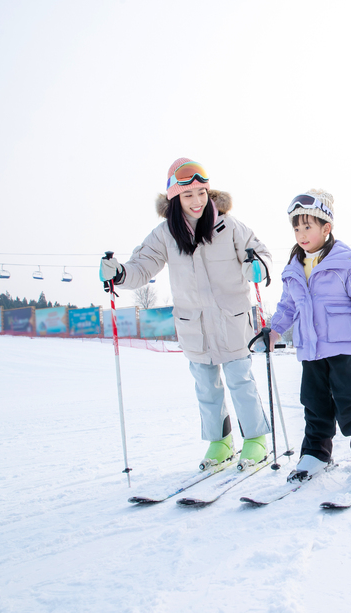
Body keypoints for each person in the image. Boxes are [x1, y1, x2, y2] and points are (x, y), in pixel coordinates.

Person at [100, 158, 272, 470]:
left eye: (201, 193)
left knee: (240, 381)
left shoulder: (229, 227)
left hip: (231, 321)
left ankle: (255, 440)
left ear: (209, 192)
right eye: (188, 195)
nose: (196, 201)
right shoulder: (165, 234)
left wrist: (257, 265)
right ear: (174, 198)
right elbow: (141, 268)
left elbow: (260, 253)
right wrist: (120, 273)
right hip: (195, 327)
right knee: (207, 388)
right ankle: (220, 443)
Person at [266, 189, 351, 484]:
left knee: (349, 400)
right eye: (296, 228)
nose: (301, 234)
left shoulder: (345, 262)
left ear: (327, 228)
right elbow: (287, 306)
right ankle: (316, 453)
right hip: (310, 349)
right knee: (313, 402)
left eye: (307, 227)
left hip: (342, 346)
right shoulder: (293, 268)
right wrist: (273, 331)